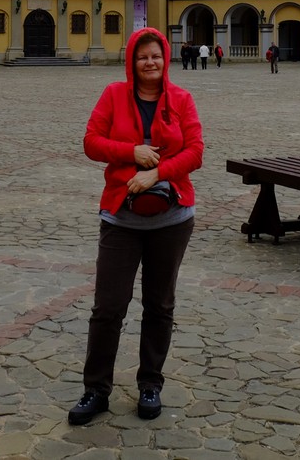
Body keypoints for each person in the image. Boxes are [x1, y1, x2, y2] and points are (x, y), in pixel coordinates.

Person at [70, 28, 204, 426]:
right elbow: (91, 142)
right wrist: (131, 152)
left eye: (157, 56)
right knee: (108, 307)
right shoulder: (114, 94)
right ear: (132, 60)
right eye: (143, 56)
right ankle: (95, 389)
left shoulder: (181, 99)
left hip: (172, 218)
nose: (150, 62)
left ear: (167, 59)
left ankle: (151, 383)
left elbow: (196, 151)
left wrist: (157, 172)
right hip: (121, 219)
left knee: (159, 305)